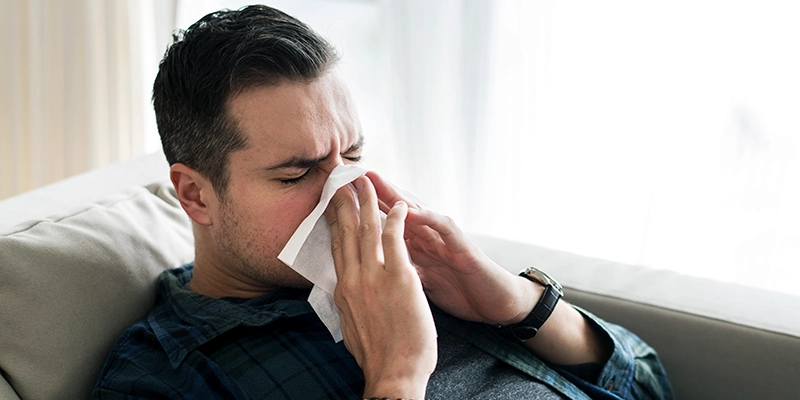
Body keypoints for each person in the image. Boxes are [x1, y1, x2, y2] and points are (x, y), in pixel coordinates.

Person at [91, 5, 673, 399]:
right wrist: (397, 375)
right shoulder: (164, 376)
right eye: (297, 174)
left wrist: (514, 303)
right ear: (196, 194)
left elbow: (648, 383)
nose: (349, 193)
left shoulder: (416, 272)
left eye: (353, 155)